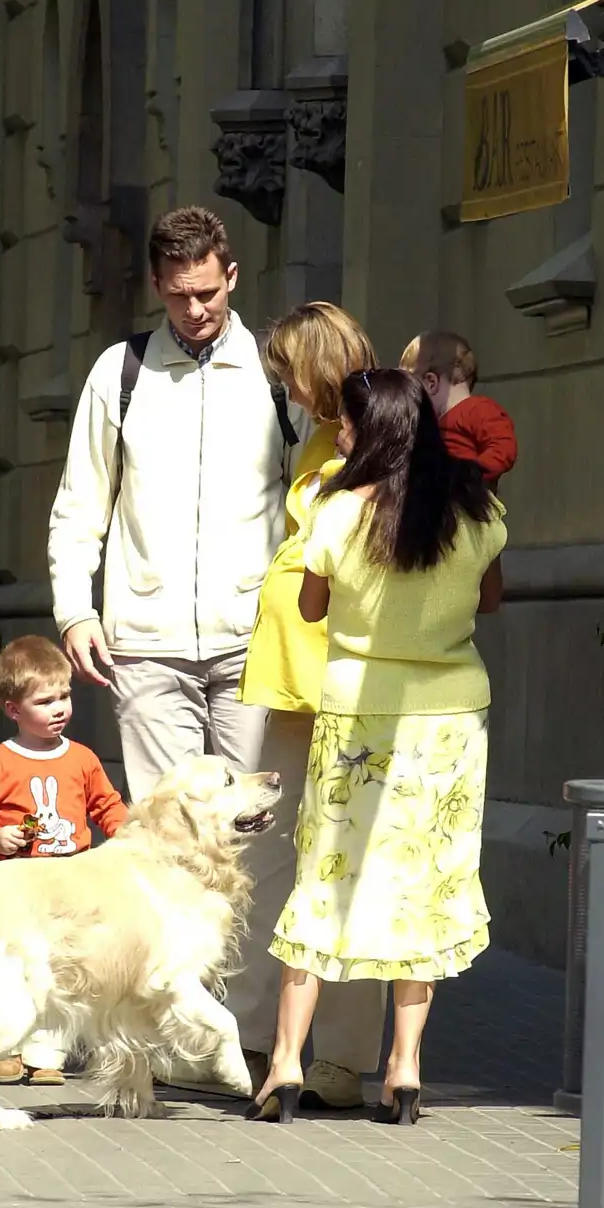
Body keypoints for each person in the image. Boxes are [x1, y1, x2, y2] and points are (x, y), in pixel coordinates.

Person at [246, 369, 507, 1125]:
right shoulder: (476, 509)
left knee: (326, 870)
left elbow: (312, 604)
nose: (343, 435)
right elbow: (491, 598)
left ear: (372, 430)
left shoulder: (337, 512)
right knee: (428, 879)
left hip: (358, 710)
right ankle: (404, 1064)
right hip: (452, 716)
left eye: (350, 426)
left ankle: (288, 1061)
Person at [47, 206, 310, 805]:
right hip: (146, 645)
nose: (194, 311)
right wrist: (74, 610)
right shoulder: (121, 373)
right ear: (157, 287)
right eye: (178, 296)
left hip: (255, 641)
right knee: (169, 835)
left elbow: (311, 502)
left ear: (233, 277)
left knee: (259, 826)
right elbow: (79, 505)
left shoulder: (275, 375)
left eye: (207, 293)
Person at [227, 303, 387, 1109]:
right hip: (295, 675)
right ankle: (256, 1034)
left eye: (288, 368)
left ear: (315, 365)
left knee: (346, 858)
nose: (281, 384)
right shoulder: (321, 435)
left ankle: (346, 1054)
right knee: (273, 855)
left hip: (347, 677)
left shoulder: (375, 429)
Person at [0, 634, 128, 1087]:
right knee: (13, 967)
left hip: (73, 885)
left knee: (65, 970)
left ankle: (45, 1052)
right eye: (45, 700)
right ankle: (4, 1047)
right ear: (13, 710)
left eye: (65, 696)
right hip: (17, 887)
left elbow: (107, 805)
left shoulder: (82, 758)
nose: (60, 708)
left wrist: (130, 834)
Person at [399, 330, 518, 490]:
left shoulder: (479, 409)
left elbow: (503, 447)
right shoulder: (431, 423)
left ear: (430, 382)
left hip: (466, 503)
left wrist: (472, 473)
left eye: (412, 390)